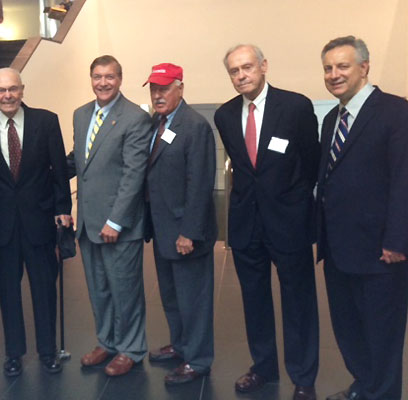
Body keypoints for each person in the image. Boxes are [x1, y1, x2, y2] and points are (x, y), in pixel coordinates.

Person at [214, 44, 320, 400]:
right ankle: (263, 366)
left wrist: (294, 201)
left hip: (289, 222)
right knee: (254, 300)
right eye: (234, 71)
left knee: (298, 301)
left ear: (263, 66)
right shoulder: (225, 115)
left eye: (247, 67)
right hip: (247, 224)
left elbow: (311, 161)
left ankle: (303, 376)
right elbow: (242, 168)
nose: (241, 75)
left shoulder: (296, 107)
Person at [317, 36, 408, 400]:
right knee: (349, 328)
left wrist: (397, 241)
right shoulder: (331, 120)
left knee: (382, 334)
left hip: (380, 252)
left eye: (343, 66)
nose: (334, 74)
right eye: (328, 68)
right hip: (339, 250)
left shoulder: (396, 112)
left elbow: (404, 180)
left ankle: (382, 393)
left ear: (364, 67)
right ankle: (364, 386)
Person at [0, 67, 71, 377]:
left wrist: (63, 208)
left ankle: (48, 352)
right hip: (1, 226)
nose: (8, 95)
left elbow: (59, 170)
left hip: (39, 222)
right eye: (1, 90)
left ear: (22, 89)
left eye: (13, 89)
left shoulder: (46, 121)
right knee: (7, 293)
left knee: (44, 289)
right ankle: (13, 354)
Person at [70, 55, 152, 376]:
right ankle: (107, 342)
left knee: (125, 291)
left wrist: (115, 220)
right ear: (91, 78)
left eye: (109, 77)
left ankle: (130, 348)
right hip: (87, 223)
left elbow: (134, 174)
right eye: (97, 76)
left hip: (119, 225)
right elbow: (82, 162)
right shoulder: (80, 115)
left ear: (120, 79)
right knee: (99, 289)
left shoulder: (135, 118)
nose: (103, 82)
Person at [143, 63, 217, 385]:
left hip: (186, 232)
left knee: (193, 300)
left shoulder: (195, 126)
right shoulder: (156, 123)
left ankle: (198, 360)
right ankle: (181, 345)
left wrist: (189, 231)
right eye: (154, 89)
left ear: (180, 88)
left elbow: (199, 184)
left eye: (164, 88)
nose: (158, 95)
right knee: (172, 296)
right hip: (162, 228)